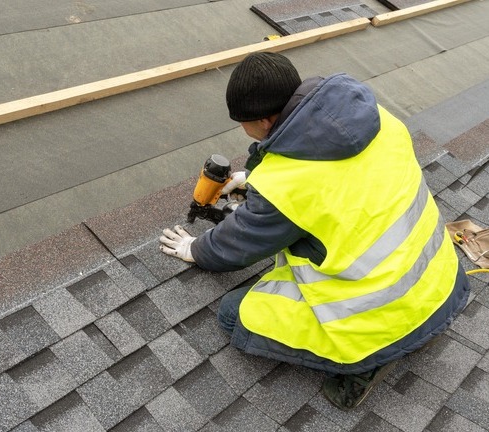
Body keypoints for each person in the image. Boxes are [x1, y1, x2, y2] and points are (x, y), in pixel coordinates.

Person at [159, 52, 470, 410]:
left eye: (242, 123)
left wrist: (193, 249)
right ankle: (398, 333)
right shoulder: (377, 120)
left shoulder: (287, 189)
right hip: (439, 282)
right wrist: (255, 181)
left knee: (233, 314)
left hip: (382, 314)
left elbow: (235, 247)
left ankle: (364, 362)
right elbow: (337, 180)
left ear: (262, 121)